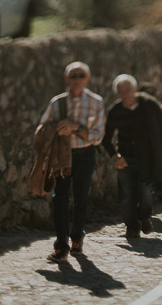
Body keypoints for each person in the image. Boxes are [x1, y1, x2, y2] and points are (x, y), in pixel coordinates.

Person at [37, 61, 105, 262]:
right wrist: (57, 128)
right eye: (73, 75)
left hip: (84, 154)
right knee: (59, 199)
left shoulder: (95, 102)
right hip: (61, 157)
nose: (76, 79)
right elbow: (42, 128)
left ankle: (77, 237)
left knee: (81, 197)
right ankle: (61, 245)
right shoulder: (57, 103)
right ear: (67, 78)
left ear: (87, 78)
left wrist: (75, 127)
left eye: (80, 75)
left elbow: (98, 135)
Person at [101, 74, 162, 239]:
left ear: (135, 89)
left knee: (145, 192)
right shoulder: (115, 111)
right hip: (125, 159)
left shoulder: (148, 105)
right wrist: (115, 156)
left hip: (147, 159)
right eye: (121, 91)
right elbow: (106, 138)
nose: (125, 93)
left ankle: (144, 217)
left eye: (128, 89)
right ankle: (132, 227)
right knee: (127, 194)